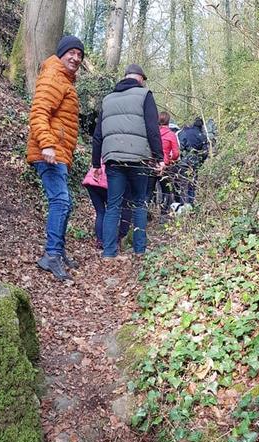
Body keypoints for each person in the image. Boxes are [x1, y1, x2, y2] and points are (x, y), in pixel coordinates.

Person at [27, 35, 84, 281]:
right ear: (61, 54)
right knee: (60, 202)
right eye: (71, 53)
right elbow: (39, 112)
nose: (76, 58)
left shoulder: (65, 80)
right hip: (49, 153)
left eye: (80, 55)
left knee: (64, 203)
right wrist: (48, 145)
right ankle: (50, 255)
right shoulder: (53, 76)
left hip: (58, 153)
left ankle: (57, 252)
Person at [91, 63, 164, 258]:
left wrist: (96, 164)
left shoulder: (107, 99)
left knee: (113, 205)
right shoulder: (145, 95)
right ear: (140, 78)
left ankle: (108, 252)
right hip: (139, 158)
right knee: (139, 202)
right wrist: (159, 157)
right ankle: (139, 250)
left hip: (113, 158)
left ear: (125, 77)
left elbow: (98, 134)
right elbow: (152, 128)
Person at [83, 163, 133, 249]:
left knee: (100, 212)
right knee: (112, 210)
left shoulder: (107, 152)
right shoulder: (123, 162)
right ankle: (116, 239)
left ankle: (100, 241)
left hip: (91, 181)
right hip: (106, 183)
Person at [178, 117, 209, 204]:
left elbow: (180, 147)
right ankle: (190, 205)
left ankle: (182, 206)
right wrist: (200, 162)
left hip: (183, 162)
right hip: (195, 163)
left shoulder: (185, 132)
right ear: (202, 126)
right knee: (192, 185)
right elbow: (205, 153)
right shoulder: (202, 136)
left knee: (183, 185)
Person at [157, 111, 181, 214]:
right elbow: (176, 153)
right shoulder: (171, 135)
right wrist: (170, 160)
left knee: (147, 191)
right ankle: (163, 213)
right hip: (165, 166)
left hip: (152, 164)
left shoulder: (153, 134)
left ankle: (146, 213)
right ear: (168, 121)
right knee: (166, 190)